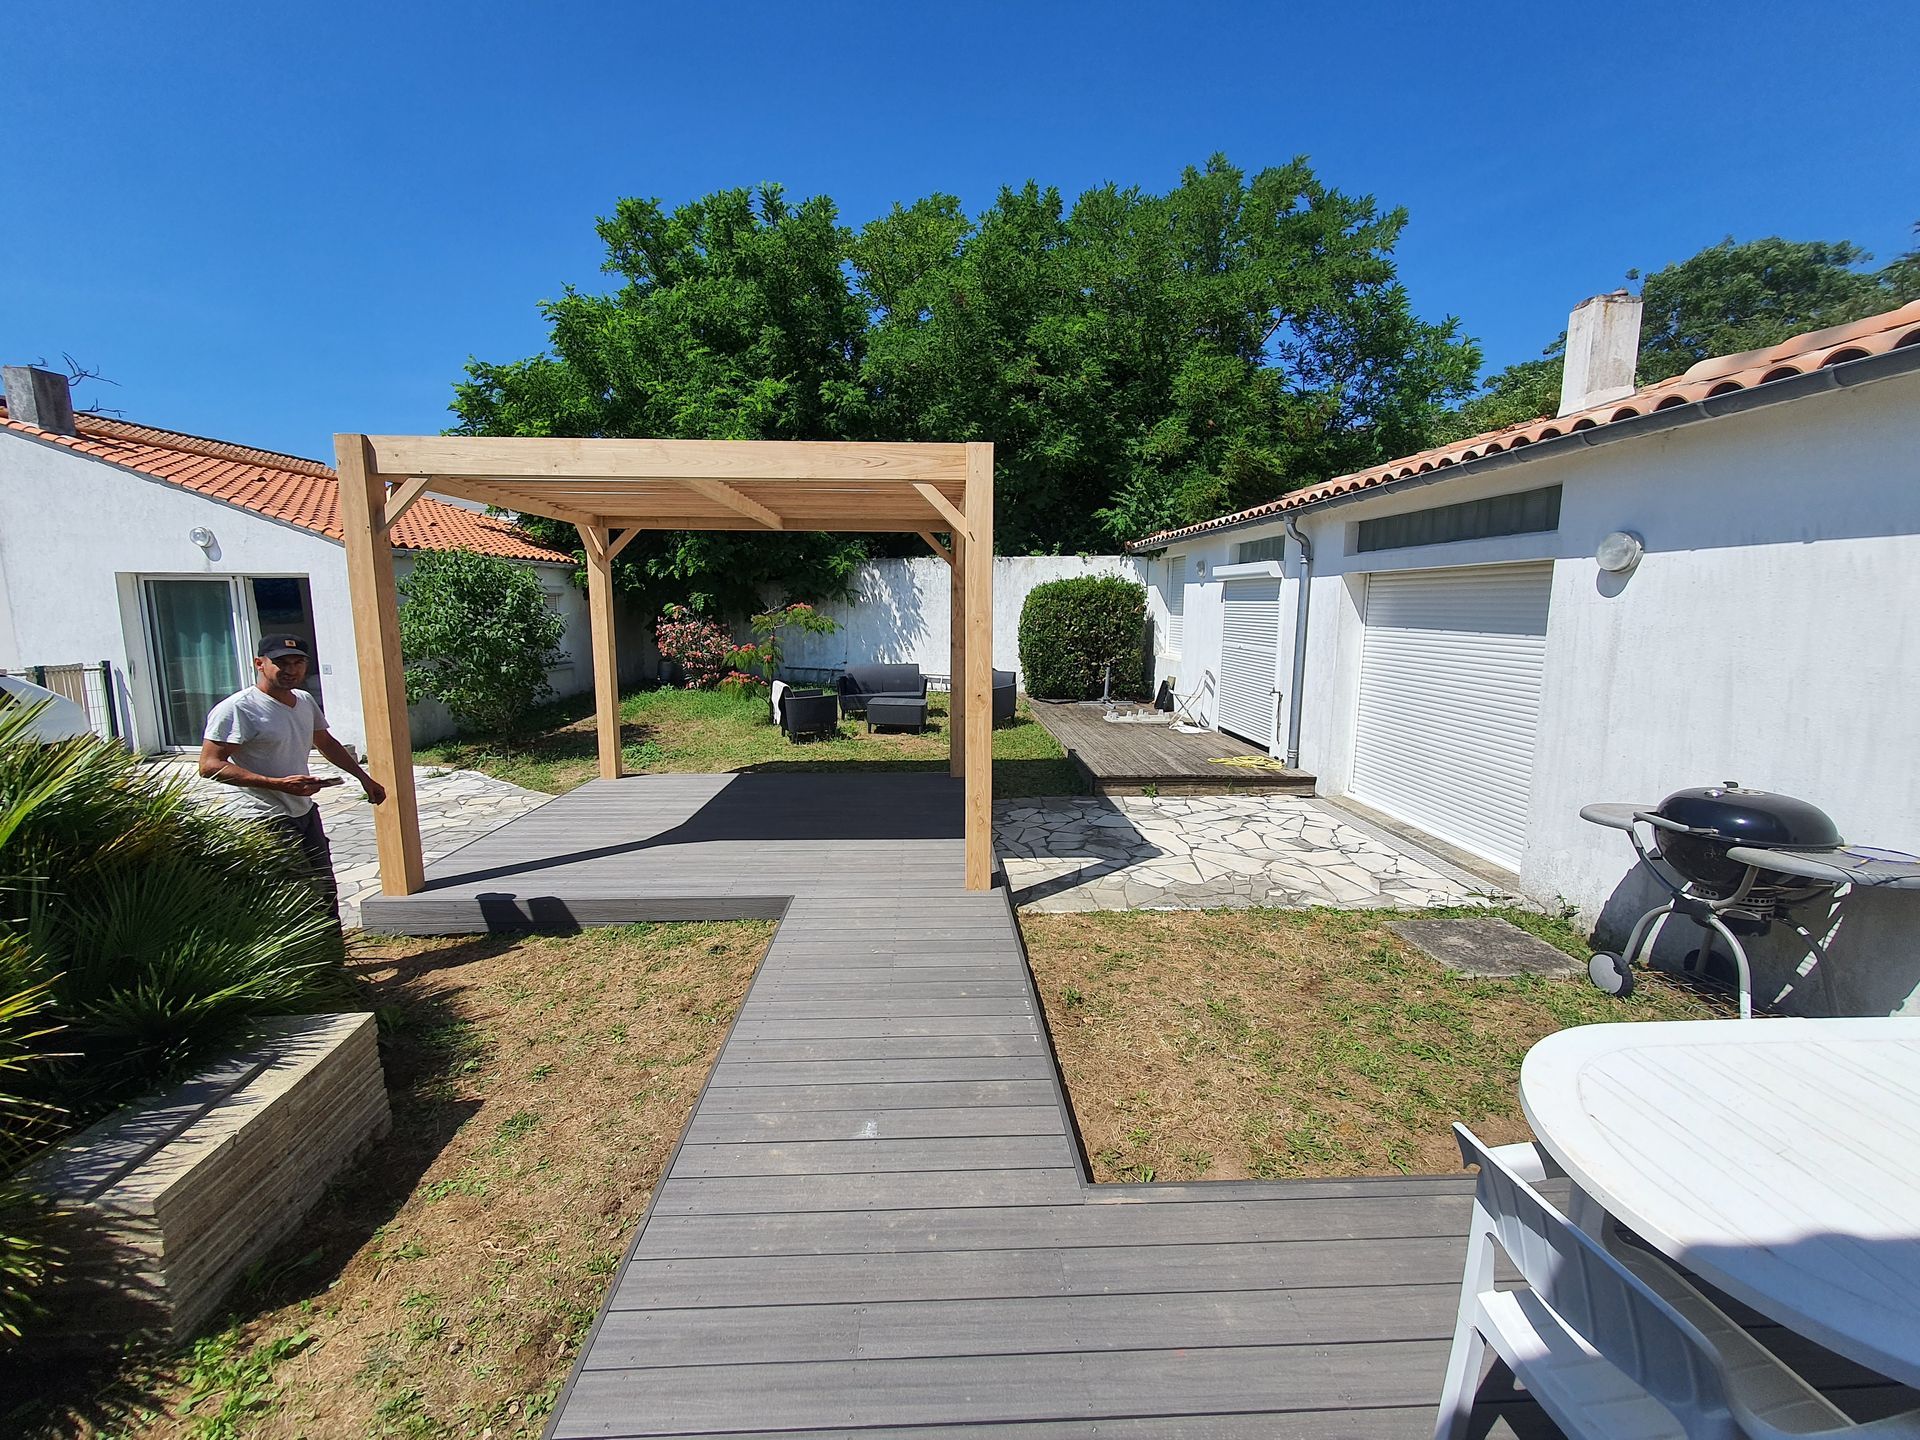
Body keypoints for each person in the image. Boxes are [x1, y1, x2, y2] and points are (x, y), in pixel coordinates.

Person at [200, 636, 386, 923]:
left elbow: (325, 742)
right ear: (259, 664)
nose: (291, 669)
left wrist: (364, 778)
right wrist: (276, 784)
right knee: (293, 896)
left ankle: (332, 964)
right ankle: (304, 965)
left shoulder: (304, 701)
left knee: (324, 890)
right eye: (281, 663)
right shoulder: (238, 709)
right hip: (262, 817)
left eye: (298, 662)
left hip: (303, 810)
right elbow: (210, 765)